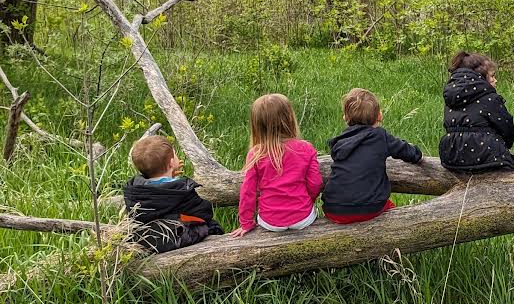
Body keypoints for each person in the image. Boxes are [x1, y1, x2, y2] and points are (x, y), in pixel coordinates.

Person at [322, 88, 424, 224]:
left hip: (333, 209)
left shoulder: (339, 142)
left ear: (345, 118)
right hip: (370, 208)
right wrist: (417, 154)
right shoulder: (380, 136)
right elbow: (404, 150)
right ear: (379, 116)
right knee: (391, 213)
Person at [230, 93, 322, 237]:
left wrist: (246, 223)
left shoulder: (256, 154)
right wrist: (307, 201)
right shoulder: (306, 148)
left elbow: (248, 191)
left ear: (257, 125)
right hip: (303, 218)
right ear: (290, 118)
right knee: (309, 213)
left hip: (270, 221)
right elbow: (315, 183)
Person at [122, 133, 223, 253]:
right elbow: (203, 211)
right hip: (176, 237)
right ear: (171, 163)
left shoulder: (135, 189)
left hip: (149, 239)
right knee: (212, 225)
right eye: (175, 154)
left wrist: (171, 178)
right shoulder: (181, 190)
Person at [440, 51, 514, 173]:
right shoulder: (489, 98)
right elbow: (506, 128)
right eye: (492, 76)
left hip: (451, 156)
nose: (495, 80)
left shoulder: (451, 98)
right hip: (486, 155)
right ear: (480, 77)